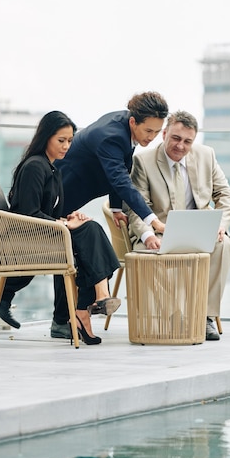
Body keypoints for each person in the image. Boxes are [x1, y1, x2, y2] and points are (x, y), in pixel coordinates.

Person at [0, 110, 121, 345]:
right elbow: (28, 213)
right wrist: (64, 224)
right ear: (46, 137)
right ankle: (92, 303)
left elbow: (50, 213)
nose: (67, 146)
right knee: (89, 233)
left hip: (43, 234)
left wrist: (68, 218)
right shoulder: (36, 167)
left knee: (88, 231)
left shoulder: (53, 169)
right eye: (61, 140)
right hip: (27, 238)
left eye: (70, 141)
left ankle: (87, 309)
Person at [51, 91, 169, 338]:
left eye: (157, 132)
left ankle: (64, 320)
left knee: (69, 252)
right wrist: (152, 219)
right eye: (149, 131)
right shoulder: (112, 136)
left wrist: (117, 207)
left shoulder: (124, 126)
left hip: (74, 189)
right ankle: (61, 318)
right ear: (133, 122)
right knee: (66, 252)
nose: (152, 137)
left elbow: (122, 165)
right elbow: (122, 181)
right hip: (60, 191)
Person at [126, 110, 230, 341]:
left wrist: (221, 225)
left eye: (187, 141)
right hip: (157, 231)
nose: (180, 146)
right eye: (175, 138)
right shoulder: (143, 162)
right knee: (150, 255)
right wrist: (147, 235)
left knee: (224, 246)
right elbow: (135, 206)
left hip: (199, 230)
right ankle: (176, 315)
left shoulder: (206, 155)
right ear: (164, 133)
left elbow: (224, 194)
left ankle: (204, 316)